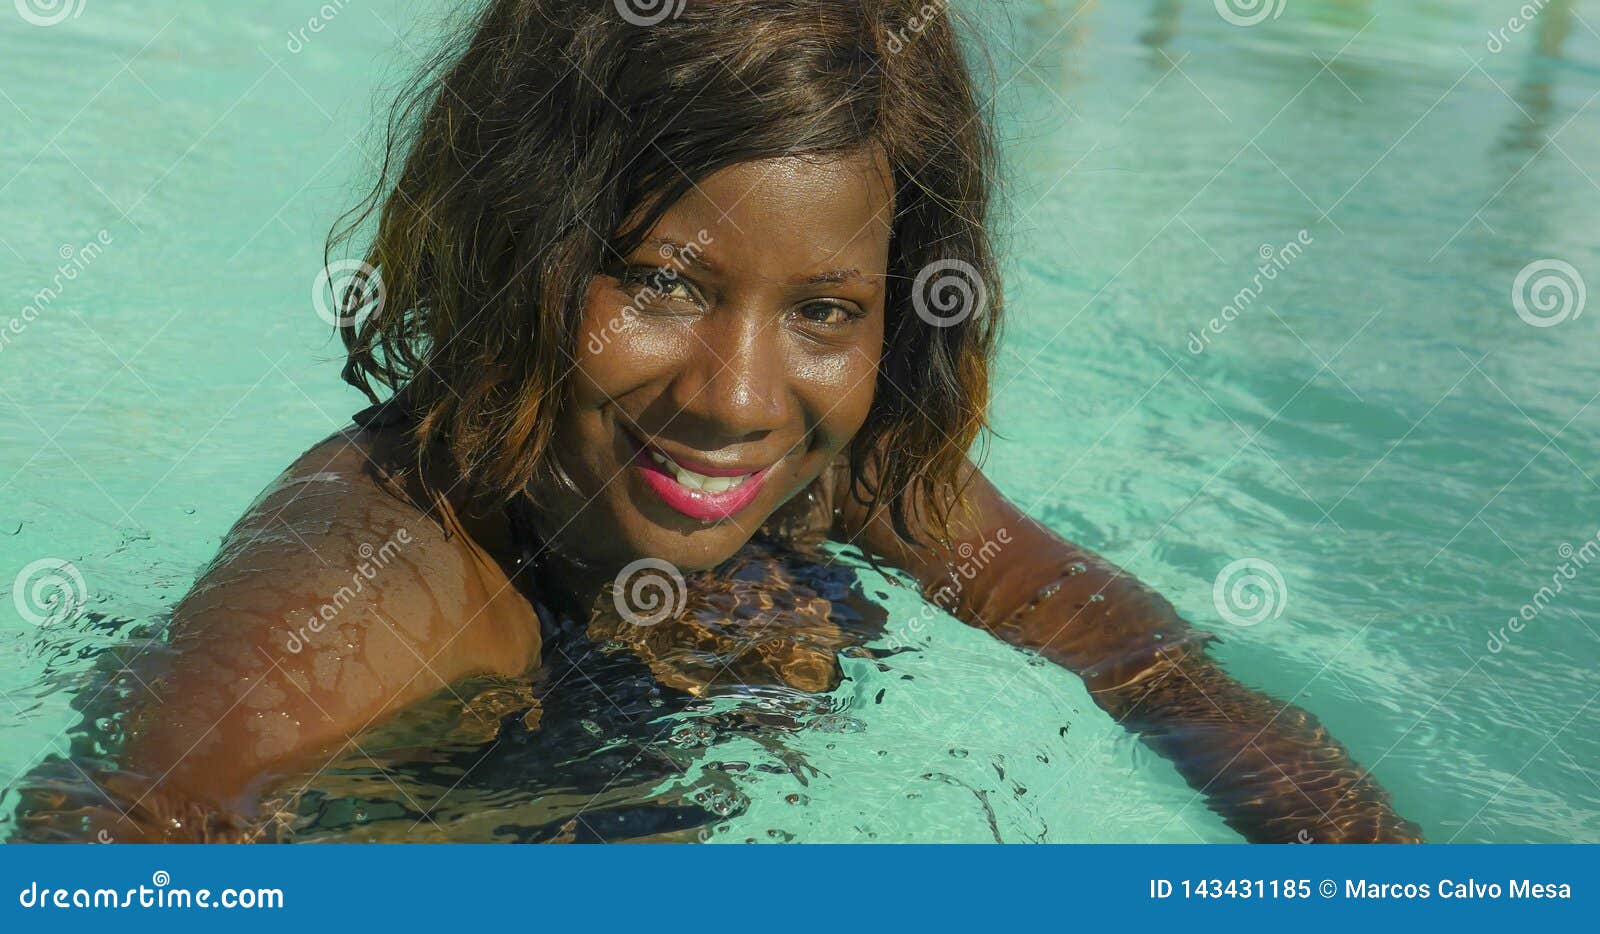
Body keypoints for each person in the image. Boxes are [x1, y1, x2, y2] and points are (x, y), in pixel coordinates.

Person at [22, 0, 1418, 843]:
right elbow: (108, 839)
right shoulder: (373, 577)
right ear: (520, 248)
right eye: (663, 281)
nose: (738, 401)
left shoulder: (837, 464)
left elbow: (1137, 657)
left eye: (823, 311)